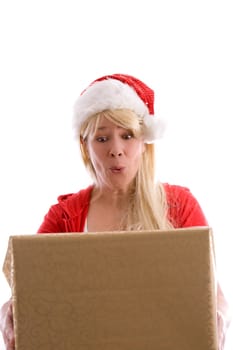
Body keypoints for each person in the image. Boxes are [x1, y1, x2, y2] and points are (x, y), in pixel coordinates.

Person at [0, 73, 231, 349]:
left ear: (144, 144)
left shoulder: (179, 205)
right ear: (86, 148)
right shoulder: (63, 215)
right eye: (102, 139)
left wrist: (218, 318)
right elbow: (30, 290)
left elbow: (211, 293)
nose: (116, 150)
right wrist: (10, 312)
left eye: (127, 135)